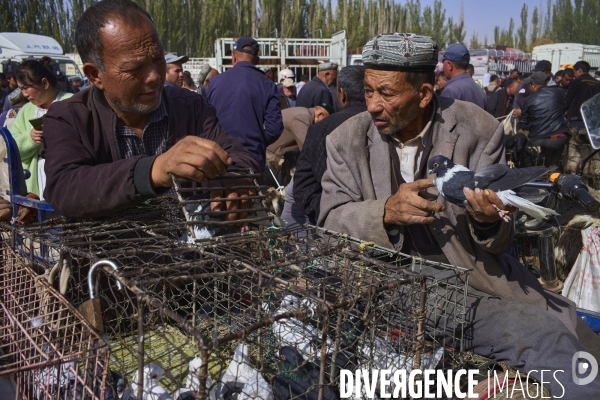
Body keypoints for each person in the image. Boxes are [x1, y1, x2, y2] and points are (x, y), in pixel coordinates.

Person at [318, 32, 600, 397]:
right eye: (369, 91)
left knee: (574, 340)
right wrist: (385, 212)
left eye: (386, 93)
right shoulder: (345, 140)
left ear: (423, 94)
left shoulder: (478, 129)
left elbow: (501, 236)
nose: (372, 105)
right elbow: (330, 221)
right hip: (390, 285)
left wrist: (487, 221)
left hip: (472, 279)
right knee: (541, 332)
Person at [42, 0, 258, 218]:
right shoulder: (68, 117)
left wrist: (235, 177)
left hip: (189, 250)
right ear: (95, 75)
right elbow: (64, 188)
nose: (154, 76)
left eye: (157, 59)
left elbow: (238, 155)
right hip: (107, 252)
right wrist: (153, 170)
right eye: (135, 68)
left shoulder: (190, 106)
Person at [294, 65, 367, 224]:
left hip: (332, 225)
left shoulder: (320, 129)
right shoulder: (386, 126)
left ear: (342, 95)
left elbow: (302, 188)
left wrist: (329, 213)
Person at [207, 36, 283, 170]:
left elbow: (205, 121)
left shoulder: (215, 82)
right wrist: (258, 143)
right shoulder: (267, 85)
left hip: (218, 156)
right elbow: (275, 128)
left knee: (218, 190)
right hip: (251, 157)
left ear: (233, 57)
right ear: (257, 60)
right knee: (250, 191)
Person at [10, 59, 74, 198]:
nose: (24, 94)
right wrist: (30, 138)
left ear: (45, 83)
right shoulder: (26, 111)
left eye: (26, 87)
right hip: (35, 177)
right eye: (21, 89)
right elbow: (11, 148)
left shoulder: (72, 103)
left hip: (67, 174)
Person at [519, 71, 570, 168]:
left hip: (538, 139)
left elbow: (523, 124)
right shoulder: (559, 93)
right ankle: (553, 174)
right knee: (553, 166)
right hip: (558, 137)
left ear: (533, 84)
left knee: (533, 167)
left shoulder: (528, 100)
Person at [267, 103, 334, 157]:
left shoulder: (303, 112)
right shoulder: (302, 118)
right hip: (271, 157)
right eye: (326, 121)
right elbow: (307, 149)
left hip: (273, 153)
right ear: (320, 114)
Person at [439, 44, 486, 109]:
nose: (442, 67)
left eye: (443, 62)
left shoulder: (451, 91)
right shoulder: (478, 89)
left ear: (449, 65)